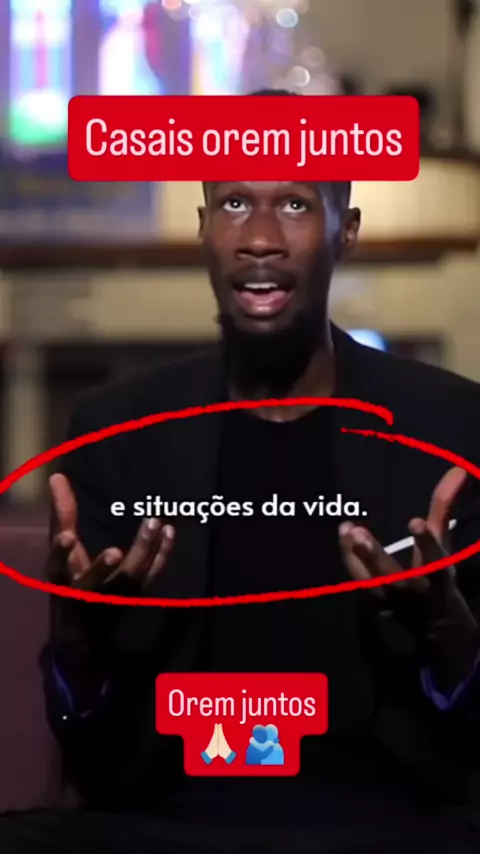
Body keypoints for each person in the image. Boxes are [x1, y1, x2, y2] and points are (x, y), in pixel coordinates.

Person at [2, 89, 480, 853]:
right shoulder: (118, 431)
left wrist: (448, 634)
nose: (260, 238)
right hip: (168, 820)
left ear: (346, 232)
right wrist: (81, 643)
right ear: (202, 230)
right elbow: (87, 741)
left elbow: (467, 735)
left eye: (294, 204)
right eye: (232, 204)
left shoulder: (449, 425)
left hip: (384, 821)